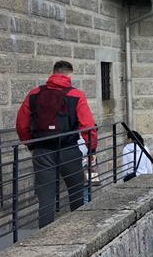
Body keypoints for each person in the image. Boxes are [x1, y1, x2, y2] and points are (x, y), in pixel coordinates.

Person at [15, 60, 97, 228]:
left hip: (43, 150)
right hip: (69, 150)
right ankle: (79, 232)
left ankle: (43, 240)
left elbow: (21, 124)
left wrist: (31, 145)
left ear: (53, 73)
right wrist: (91, 150)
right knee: (76, 194)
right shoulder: (76, 95)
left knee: (45, 199)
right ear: (70, 74)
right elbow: (88, 126)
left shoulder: (34, 93)